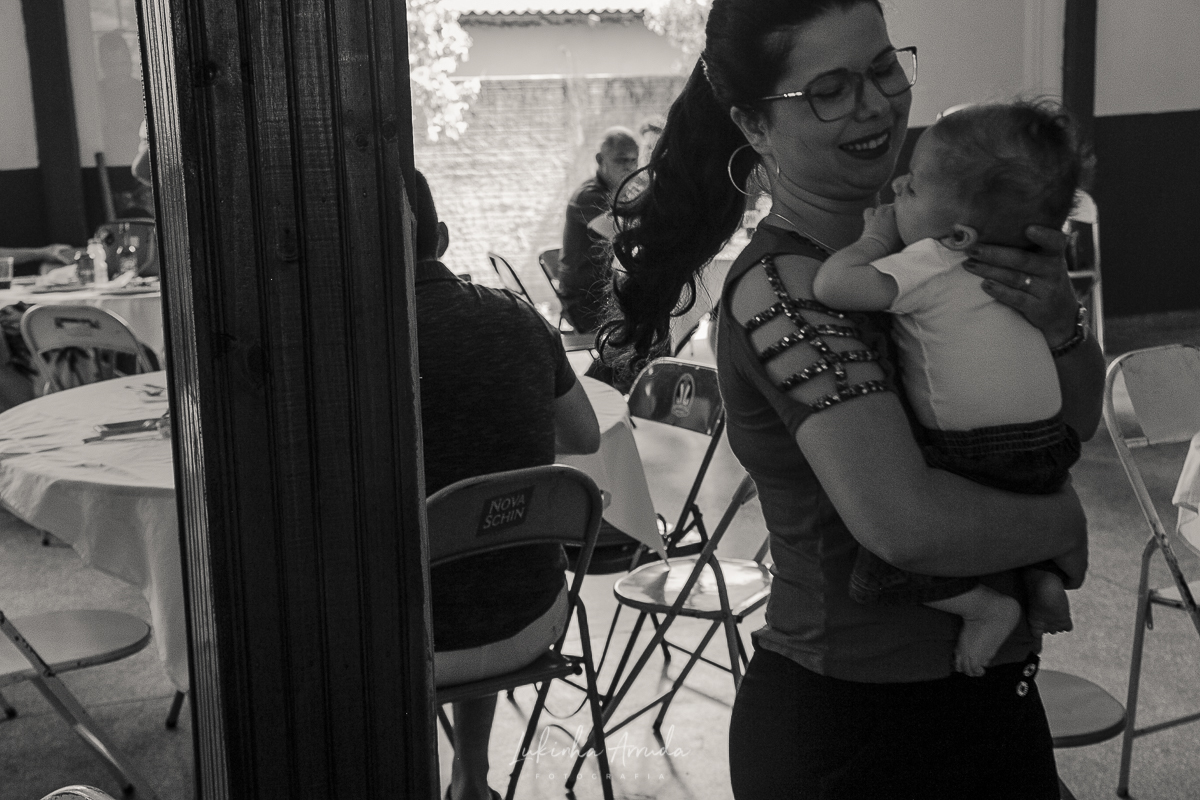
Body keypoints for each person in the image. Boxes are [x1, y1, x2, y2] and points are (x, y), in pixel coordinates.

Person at [597, 2, 1105, 797]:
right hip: (859, 729)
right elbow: (907, 524)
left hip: (985, 699)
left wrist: (1061, 326)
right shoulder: (790, 289)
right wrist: (1060, 522)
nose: (875, 105)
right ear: (755, 125)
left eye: (883, 68)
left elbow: (1071, 424)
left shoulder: (954, 240)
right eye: (829, 91)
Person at [810, 99, 1091, 676]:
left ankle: (983, 606)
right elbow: (1084, 422)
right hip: (1049, 447)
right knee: (1025, 499)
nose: (898, 187)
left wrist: (874, 239)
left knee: (888, 557)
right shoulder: (1026, 268)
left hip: (972, 451)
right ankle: (1041, 575)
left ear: (959, 233)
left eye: (912, 188)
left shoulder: (935, 259)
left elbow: (835, 286)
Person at [412, 170, 600, 800]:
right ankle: (472, 777)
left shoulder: (352, 344)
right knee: (481, 545)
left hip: (412, 642)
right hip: (532, 618)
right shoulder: (517, 318)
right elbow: (585, 437)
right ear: (441, 238)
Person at [558, 127, 639, 335]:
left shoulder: (617, 193)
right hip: (587, 302)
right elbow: (628, 235)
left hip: (603, 292)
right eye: (621, 160)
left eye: (634, 160)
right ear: (600, 159)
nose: (630, 167)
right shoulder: (589, 196)